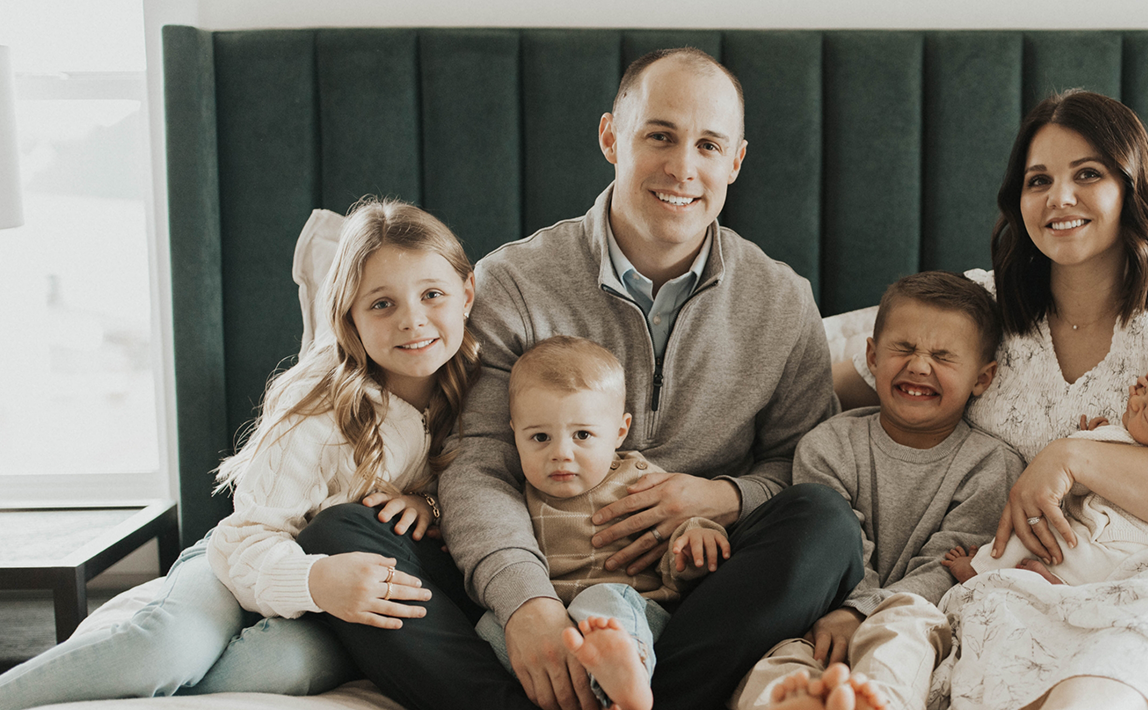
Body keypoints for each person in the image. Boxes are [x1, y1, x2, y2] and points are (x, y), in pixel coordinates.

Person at [300, 47, 864, 710]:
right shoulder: (514, 281)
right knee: (340, 533)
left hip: (692, 592)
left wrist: (724, 497)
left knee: (826, 524)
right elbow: (477, 459)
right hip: (528, 559)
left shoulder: (780, 298)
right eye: (659, 135)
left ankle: (649, 693)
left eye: (709, 145)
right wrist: (525, 605)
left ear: (735, 161)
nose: (683, 166)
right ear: (610, 138)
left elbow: (802, 464)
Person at [833, 89, 1148, 710]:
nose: (1059, 198)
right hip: (1016, 586)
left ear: (1132, 188)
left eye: (1087, 174)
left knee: (1123, 666)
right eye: (1039, 180)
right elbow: (835, 382)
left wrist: (1074, 457)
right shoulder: (979, 311)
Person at [0, 199, 480, 709]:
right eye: (382, 304)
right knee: (167, 650)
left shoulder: (484, 391)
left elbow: (496, 501)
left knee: (283, 668)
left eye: (432, 294)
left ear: (467, 295)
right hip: (241, 563)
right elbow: (250, 535)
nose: (413, 321)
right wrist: (315, 578)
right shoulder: (314, 401)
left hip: (333, 609)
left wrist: (430, 508)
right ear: (348, 316)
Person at [736, 271, 1022, 710]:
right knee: (778, 660)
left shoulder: (990, 466)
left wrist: (863, 612)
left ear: (982, 379)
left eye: (943, 357)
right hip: (821, 616)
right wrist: (845, 612)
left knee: (903, 629)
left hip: (919, 614)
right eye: (903, 348)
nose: (919, 366)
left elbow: (946, 567)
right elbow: (832, 548)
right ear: (871, 355)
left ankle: (876, 701)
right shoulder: (827, 444)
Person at [477, 335, 729, 710]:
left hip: (629, 611)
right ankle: (569, 691)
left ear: (620, 432)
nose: (561, 454)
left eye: (582, 435)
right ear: (515, 432)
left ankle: (628, 681)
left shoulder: (639, 481)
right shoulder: (513, 494)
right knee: (486, 626)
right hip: (548, 628)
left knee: (605, 601)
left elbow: (682, 527)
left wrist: (696, 538)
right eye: (540, 437)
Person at [943, 362, 1148, 586]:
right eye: (1146, 392)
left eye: (1145, 413)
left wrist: (1090, 437)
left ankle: (980, 568)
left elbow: (1070, 477)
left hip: (1098, 542)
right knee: (1090, 576)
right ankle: (1054, 585)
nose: (1134, 401)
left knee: (1036, 532)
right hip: (1132, 559)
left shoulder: (1120, 441)